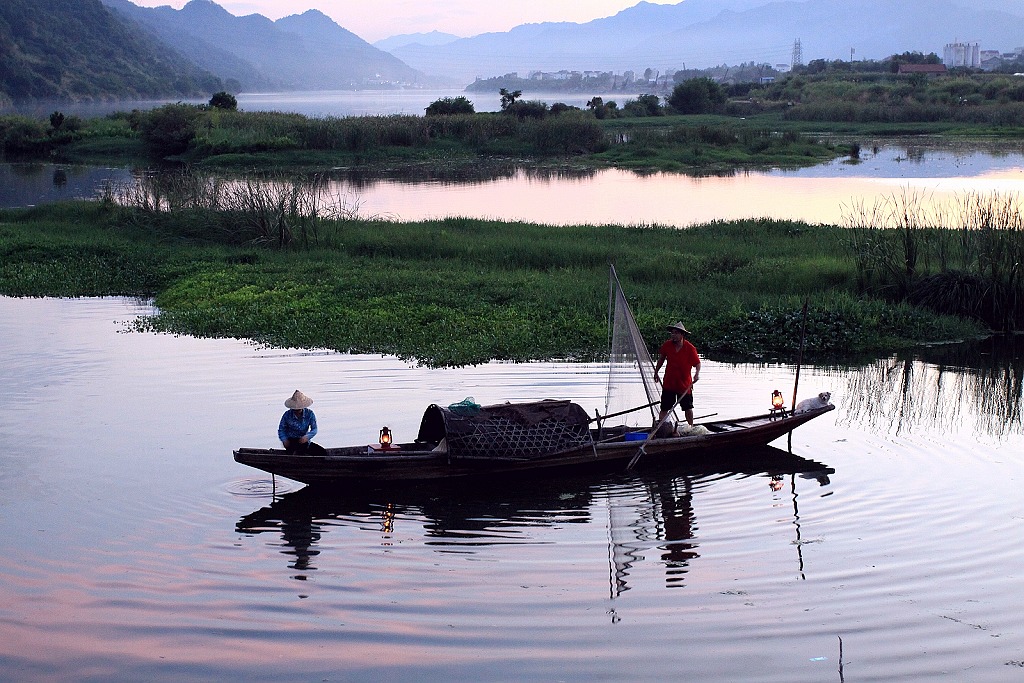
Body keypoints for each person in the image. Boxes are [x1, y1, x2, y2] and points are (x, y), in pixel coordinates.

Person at [653, 321, 701, 428]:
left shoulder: (690, 348)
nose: (673, 335)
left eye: (676, 333)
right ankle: (662, 428)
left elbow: (697, 363)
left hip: (684, 385)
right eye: (672, 333)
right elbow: (661, 360)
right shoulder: (667, 345)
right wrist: (656, 372)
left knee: (688, 408)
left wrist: (697, 374)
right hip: (669, 383)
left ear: (682, 335)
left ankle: (690, 427)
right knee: (665, 408)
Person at [278, 390, 325, 455]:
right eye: (295, 409)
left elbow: (314, 429)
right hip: (291, 441)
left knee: (322, 452)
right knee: (298, 452)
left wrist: (307, 437)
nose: (297, 411)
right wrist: (284, 439)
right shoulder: (287, 415)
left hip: (304, 441)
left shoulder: (310, 414)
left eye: (299, 409)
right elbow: (281, 430)